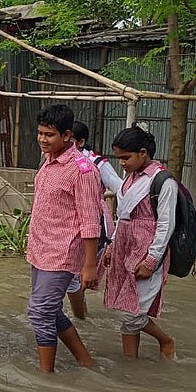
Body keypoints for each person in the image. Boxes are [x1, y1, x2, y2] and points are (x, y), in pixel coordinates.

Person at [26, 104, 102, 372]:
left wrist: (90, 264)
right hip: (40, 248)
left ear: (67, 135)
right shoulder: (47, 162)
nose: (43, 140)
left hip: (62, 253)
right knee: (50, 310)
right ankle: (86, 362)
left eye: (49, 135)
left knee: (40, 312)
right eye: (40, 133)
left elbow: (91, 220)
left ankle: (46, 376)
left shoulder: (83, 171)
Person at [103, 125, 178, 359]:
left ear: (143, 153)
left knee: (131, 313)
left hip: (146, 251)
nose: (122, 163)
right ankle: (130, 363)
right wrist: (112, 247)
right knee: (124, 308)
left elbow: (166, 225)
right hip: (125, 248)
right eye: (119, 158)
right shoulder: (129, 180)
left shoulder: (163, 182)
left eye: (126, 157)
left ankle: (165, 340)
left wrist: (151, 260)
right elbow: (123, 215)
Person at [65, 121, 122, 321]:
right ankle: (81, 317)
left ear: (80, 142)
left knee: (78, 274)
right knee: (71, 273)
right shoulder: (58, 158)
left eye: (70, 140)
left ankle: (81, 320)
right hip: (69, 221)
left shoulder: (97, 163)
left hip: (93, 219)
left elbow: (120, 190)